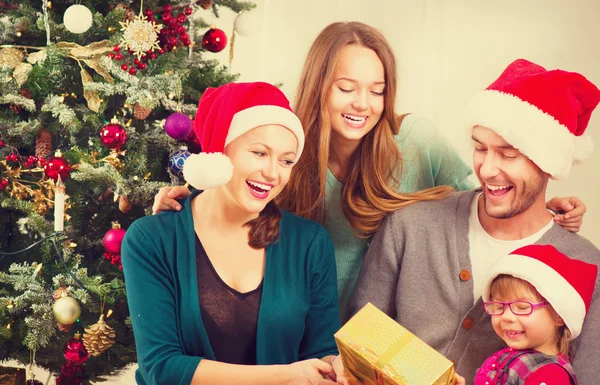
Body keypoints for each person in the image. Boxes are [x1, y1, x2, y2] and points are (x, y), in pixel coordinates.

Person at [151, 22, 585, 318]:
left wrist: (545, 210)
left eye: (377, 91)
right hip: (297, 336)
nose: (363, 104)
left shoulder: (415, 140)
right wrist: (189, 201)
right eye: (346, 88)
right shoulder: (285, 150)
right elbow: (237, 199)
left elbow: (485, 201)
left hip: (385, 334)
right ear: (319, 84)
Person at [346, 59, 600, 385]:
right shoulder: (411, 227)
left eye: (509, 153)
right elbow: (361, 341)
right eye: (480, 148)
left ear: (548, 161)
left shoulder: (586, 266)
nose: (488, 168)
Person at [121, 82, 356, 385]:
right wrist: (285, 379)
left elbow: (322, 349)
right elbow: (163, 370)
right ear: (221, 151)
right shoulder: (152, 239)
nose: (272, 173)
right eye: (259, 153)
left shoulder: (309, 243)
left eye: (286, 160)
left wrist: (337, 367)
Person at [413, 244, 597, 385]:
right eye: (498, 307)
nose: (506, 317)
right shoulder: (504, 358)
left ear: (558, 315)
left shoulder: (552, 375)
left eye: (522, 307)